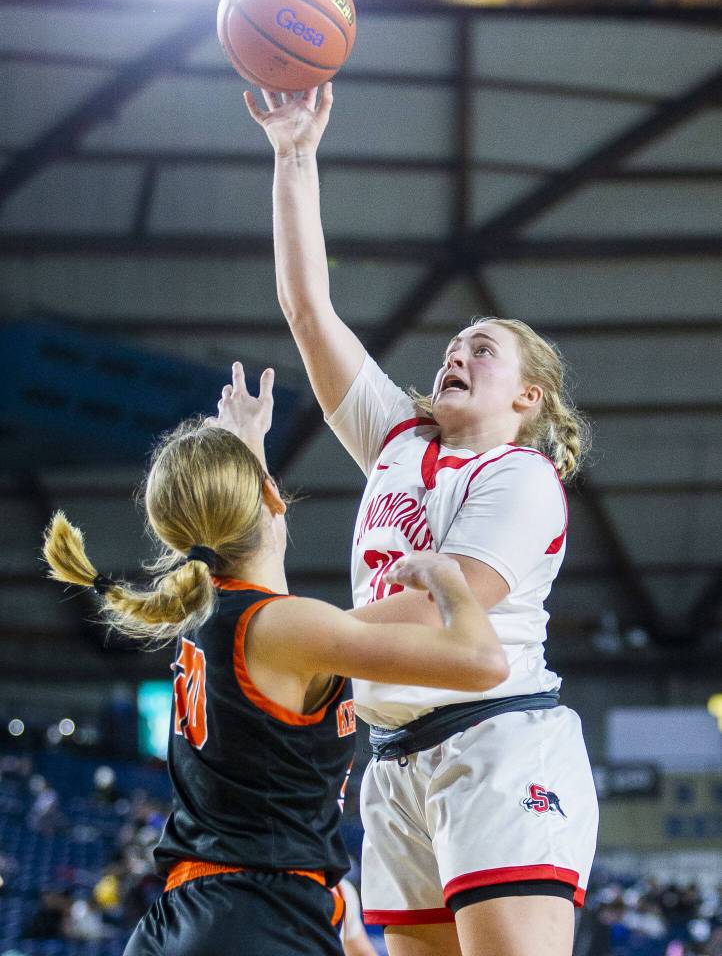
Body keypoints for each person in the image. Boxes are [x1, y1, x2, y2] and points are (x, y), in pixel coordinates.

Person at [231, 83, 600, 956]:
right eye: (453, 343)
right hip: (394, 763)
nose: (456, 352)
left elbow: (443, 610)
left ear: (527, 395)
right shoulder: (400, 438)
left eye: (483, 348)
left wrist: (293, 642)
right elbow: (308, 313)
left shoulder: (521, 474)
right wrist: (294, 156)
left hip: (496, 742)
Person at [42, 366, 507, 956]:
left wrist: (249, 444)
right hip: (259, 915)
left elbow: (268, 579)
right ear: (268, 497)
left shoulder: (225, 619)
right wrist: (451, 580)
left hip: (184, 918)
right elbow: (482, 661)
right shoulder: (288, 629)